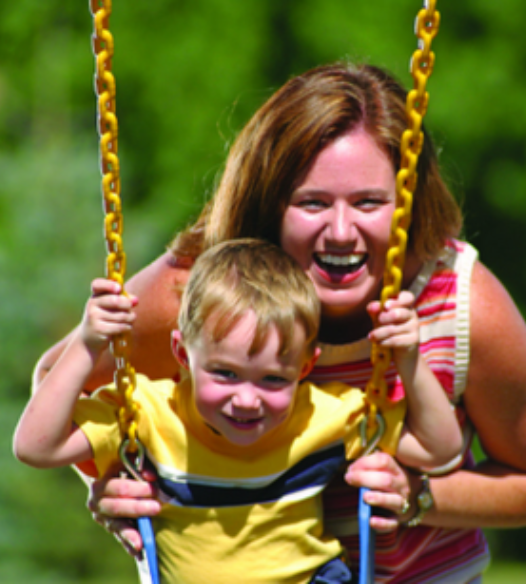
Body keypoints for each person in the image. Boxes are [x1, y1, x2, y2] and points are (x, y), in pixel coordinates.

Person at [32, 63, 526, 583]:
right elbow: (58, 383)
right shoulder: (208, 297)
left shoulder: (459, 305)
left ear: (405, 203)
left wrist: (419, 497)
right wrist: (113, 481)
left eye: (369, 202)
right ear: (270, 202)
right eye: (312, 203)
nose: (341, 232)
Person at [16, 238, 462, 583]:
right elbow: (36, 446)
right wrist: (89, 342)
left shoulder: (325, 415)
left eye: (272, 379)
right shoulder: (149, 411)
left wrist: (408, 358)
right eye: (225, 373)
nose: (247, 400)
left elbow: (440, 450)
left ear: (304, 368)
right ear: (182, 354)